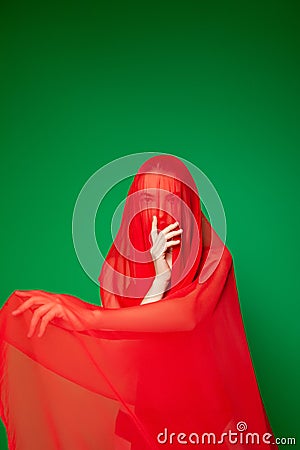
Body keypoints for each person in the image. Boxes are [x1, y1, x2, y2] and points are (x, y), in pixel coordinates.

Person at [0, 155, 278, 449]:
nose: (157, 210)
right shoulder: (116, 268)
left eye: (170, 200)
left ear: (186, 206)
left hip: (208, 414)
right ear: (133, 203)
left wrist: (84, 316)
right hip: (145, 412)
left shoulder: (215, 261)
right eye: (147, 198)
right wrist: (160, 278)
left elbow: (188, 315)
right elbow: (128, 349)